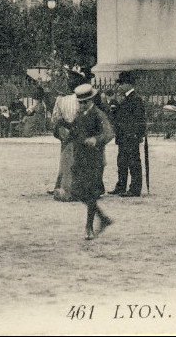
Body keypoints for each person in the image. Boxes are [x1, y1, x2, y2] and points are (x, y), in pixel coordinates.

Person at [69, 84, 115, 240]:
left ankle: (89, 226)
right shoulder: (79, 115)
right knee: (76, 191)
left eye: (85, 102)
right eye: (80, 102)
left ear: (91, 100)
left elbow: (108, 133)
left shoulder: (98, 114)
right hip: (80, 157)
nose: (82, 105)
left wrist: (96, 139)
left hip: (95, 159)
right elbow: (73, 133)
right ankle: (103, 218)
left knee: (90, 192)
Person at [109, 82, 146, 197]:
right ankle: (121, 186)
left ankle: (134, 189)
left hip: (130, 136)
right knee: (122, 162)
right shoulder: (128, 99)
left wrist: (138, 134)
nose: (118, 94)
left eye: (120, 92)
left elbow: (139, 120)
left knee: (133, 163)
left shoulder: (135, 100)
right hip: (124, 136)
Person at [49, 90, 80, 202]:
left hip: (72, 131)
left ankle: (67, 187)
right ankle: (64, 186)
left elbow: (55, 117)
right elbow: (55, 117)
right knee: (67, 160)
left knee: (70, 160)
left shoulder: (63, 99)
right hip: (70, 132)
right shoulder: (61, 99)